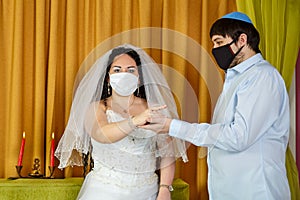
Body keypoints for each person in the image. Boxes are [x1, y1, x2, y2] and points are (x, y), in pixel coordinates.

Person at [140, 12, 291, 200]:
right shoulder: (236, 78)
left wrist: (172, 126)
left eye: (219, 42)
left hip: (255, 190)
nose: (215, 49)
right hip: (231, 190)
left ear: (242, 40)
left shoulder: (262, 77)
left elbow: (238, 137)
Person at [54, 44, 188, 200]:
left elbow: (167, 152)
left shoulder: (153, 107)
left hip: (147, 191)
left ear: (139, 79)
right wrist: (134, 121)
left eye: (131, 70)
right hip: (103, 191)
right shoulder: (97, 108)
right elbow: (101, 134)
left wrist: (165, 188)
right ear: (108, 78)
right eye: (117, 70)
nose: (124, 75)